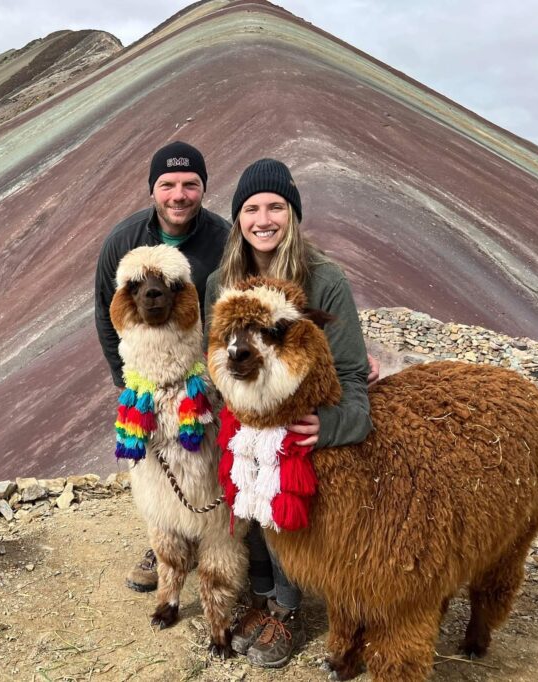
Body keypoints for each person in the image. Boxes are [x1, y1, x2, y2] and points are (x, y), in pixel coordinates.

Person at [204, 158, 377, 669]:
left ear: (292, 214)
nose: (264, 219)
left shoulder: (324, 280)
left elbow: (350, 373)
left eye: (276, 207)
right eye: (251, 208)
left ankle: (290, 606)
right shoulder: (221, 282)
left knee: (286, 505)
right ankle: (263, 594)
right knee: (246, 505)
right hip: (245, 422)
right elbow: (214, 357)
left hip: (299, 429)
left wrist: (332, 427)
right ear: (238, 219)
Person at [94, 141, 230, 592]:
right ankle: (164, 545)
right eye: (167, 184)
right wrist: (128, 381)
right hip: (147, 382)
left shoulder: (224, 241)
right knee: (154, 468)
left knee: (205, 467)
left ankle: (218, 546)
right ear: (153, 189)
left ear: (203, 188)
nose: (179, 195)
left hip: (205, 380)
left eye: (190, 184)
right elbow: (106, 311)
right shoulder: (124, 241)